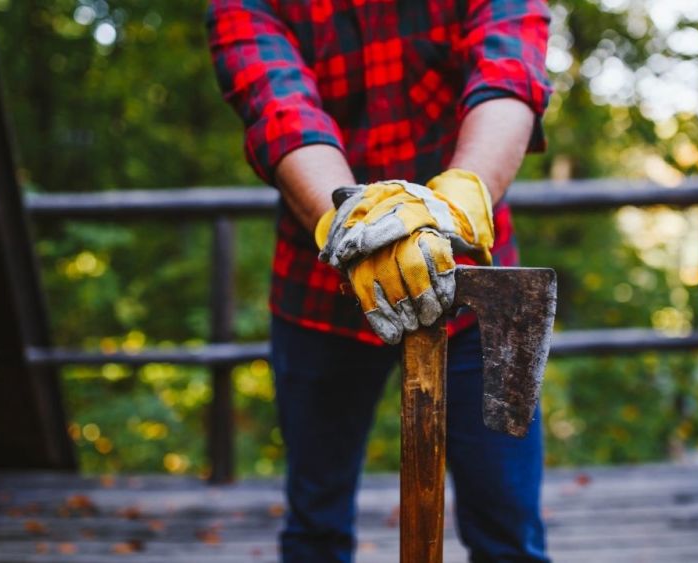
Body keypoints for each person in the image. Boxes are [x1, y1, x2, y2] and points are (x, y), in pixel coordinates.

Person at [207, 1, 552, 560]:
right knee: (315, 527)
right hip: (321, 292)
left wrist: (460, 200)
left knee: (509, 529)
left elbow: (509, 71)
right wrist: (353, 224)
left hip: (475, 286)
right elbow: (281, 107)